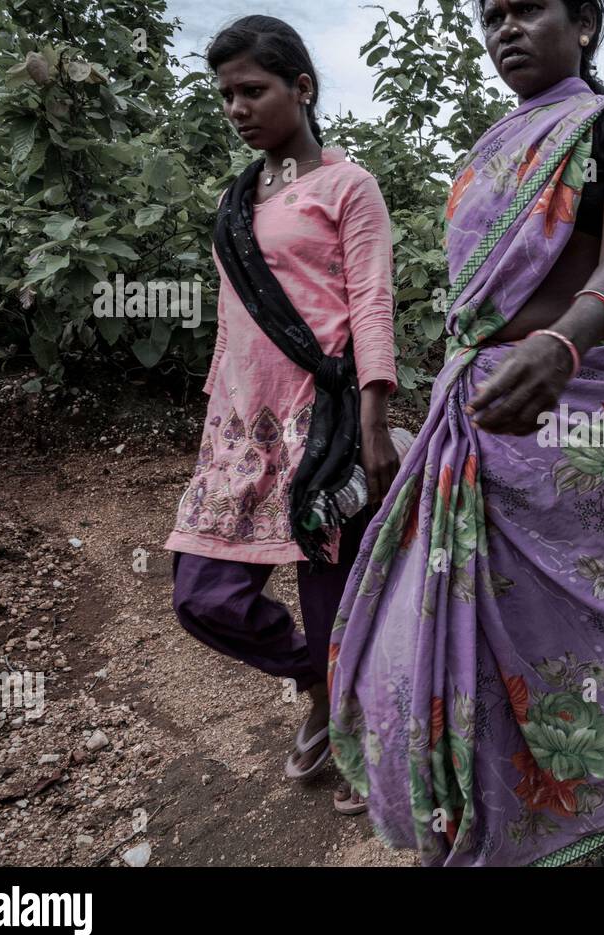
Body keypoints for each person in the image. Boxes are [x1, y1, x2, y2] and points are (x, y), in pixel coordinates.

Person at [327, 0, 604, 866]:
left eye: (529, 10)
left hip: (588, 412)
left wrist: (566, 341)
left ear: (586, 22)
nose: (505, 30)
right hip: (485, 412)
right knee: (481, 634)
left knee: (598, 631)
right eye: (492, 16)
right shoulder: (489, 150)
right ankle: (500, 815)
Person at [165, 16, 405, 812]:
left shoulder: (346, 186)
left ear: (301, 88)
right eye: (225, 94)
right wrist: (215, 417)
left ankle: (351, 728)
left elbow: (370, 301)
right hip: (241, 429)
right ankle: (318, 683)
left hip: (325, 425)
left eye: (253, 90)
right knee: (203, 596)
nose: (236, 108)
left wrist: (374, 420)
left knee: (330, 596)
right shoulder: (238, 198)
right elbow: (237, 318)